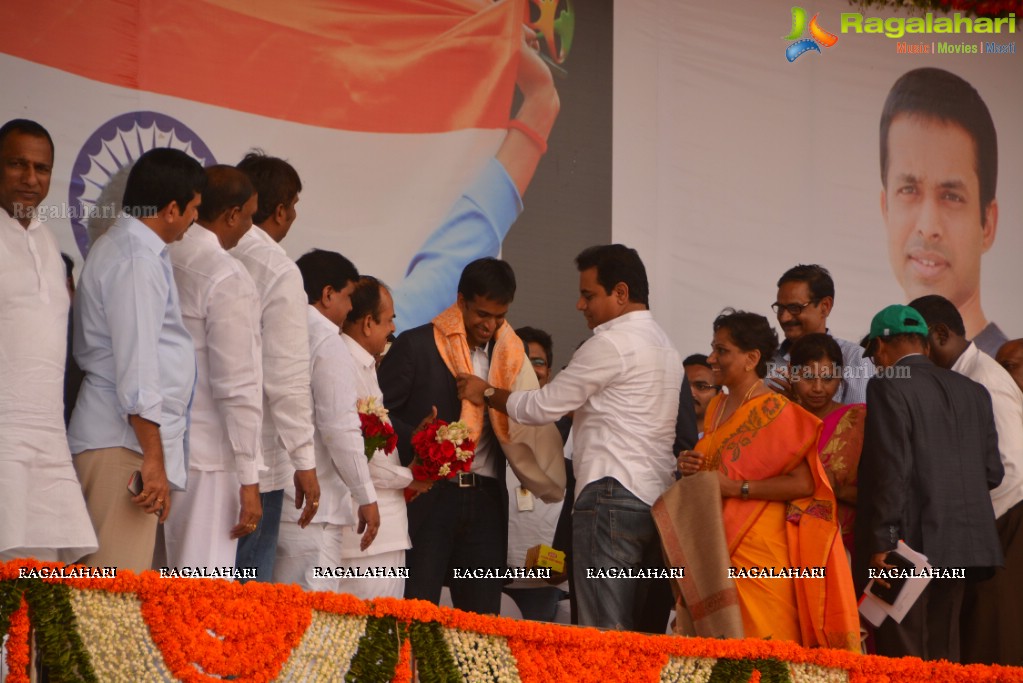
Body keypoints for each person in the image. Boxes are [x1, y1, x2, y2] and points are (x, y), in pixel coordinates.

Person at [458, 245, 681, 632]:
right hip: (657, 502)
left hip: (611, 496)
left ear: (622, 293)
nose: (580, 304)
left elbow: (543, 407)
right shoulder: (667, 348)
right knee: (641, 637)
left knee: (601, 633)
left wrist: (488, 392)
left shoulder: (609, 343)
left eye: (589, 294)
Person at [380, 257, 564, 615]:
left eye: (500, 316)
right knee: (419, 607)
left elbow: (531, 414)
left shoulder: (510, 354)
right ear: (461, 300)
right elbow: (377, 416)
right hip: (432, 496)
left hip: (486, 502)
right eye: (482, 314)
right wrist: (416, 437)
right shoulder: (417, 345)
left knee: (481, 617)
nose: (490, 325)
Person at [673, 311, 859, 650]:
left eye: (722, 350)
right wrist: (691, 465)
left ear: (751, 358)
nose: (712, 358)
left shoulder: (779, 410)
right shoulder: (716, 406)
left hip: (760, 551)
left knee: (762, 650)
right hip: (716, 544)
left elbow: (805, 483)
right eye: (713, 349)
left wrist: (739, 489)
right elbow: (718, 465)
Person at [69, 147, 203, 572]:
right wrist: (153, 459)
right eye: (194, 209)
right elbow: (139, 370)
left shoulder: (133, 250)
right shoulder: (135, 258)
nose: (195, 219)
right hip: (122, 444)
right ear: (170, 209)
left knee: (102, 598)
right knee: (109, 602)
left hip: (121, 440)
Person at [856, 304, 1003, 661]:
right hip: (963, 548)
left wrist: (884, 543)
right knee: (944, 649)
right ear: (923, 343)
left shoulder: (888, 384)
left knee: (904, 653)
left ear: (880, 347)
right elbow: (992, 473)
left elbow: (889, 471)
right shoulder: (973, 390)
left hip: (909, 546)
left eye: (873, 353)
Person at [393, 31, 560, 332]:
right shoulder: (407, 316)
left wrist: (498, 30)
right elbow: (543, 101)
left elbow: (543, 101)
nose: (491, 325)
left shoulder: (405, 312)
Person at [0, 118, 97, 564]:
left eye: (41, 168)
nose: (30, 178)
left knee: (42, 579)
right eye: (17, 164)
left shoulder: (48, 239)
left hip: (48, 435)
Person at [909, 294, 1023, 665]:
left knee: (993, 638)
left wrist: (963, 525)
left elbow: (1012, 468)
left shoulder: (986, 380)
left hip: (1005, 525)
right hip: (982, 531)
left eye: (917, 346)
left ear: (939, 334)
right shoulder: (958, 378)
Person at [163, 165, 263, 571]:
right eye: (251, 215)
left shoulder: (163, 251)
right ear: (232, 214)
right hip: (209, 461)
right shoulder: (226, 274)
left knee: (144, 594)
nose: (250, 226)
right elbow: (236, 385)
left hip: (157, 449)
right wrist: (249, 478)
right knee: (198, 601)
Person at [231, 151, 320, 582]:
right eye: (295, 205)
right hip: (260, 460)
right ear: (280, 209)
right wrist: (305, 460)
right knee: (248, 602)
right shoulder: (276, 268)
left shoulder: (207, 251)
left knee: (189, 589)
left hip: (202, 455)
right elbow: (286, 377)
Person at [880, 68, 1006, 355]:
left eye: (951, 196)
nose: (927, 226)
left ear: (988, 224)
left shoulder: (1009, 375)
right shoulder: (868, 367)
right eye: (909, 190)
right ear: (885, 208)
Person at [274, 250, 378, 591]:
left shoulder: (277, 325)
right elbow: (339, 427)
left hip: (277, 495)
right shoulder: (327, 341)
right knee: (310, 625)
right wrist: (366, 495)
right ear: (328, 294)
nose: (350, 310)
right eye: (348, 297)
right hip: (314, 509)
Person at [337, 276, 429, 599]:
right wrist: (412, 477)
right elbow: (358, 454)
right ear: (367, 323)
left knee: (379, 636)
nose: (393, 328)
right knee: (364, 637)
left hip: (382, 534)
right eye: (389, 319)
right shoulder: (344, 366)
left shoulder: (365, 367)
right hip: (367, 539)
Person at [503, 325, 568, 622]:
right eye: (522, 361)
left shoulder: (566, 433)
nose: (530, 369)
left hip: (547, 577)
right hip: (494, 570)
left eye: (538, 362)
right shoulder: (491, 426)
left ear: (549, 371)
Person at [788, 333, 864, 554]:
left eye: (828, 379)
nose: (818, 388)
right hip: (786, 542)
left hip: (843, 545)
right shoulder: (779, 420)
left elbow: (879, 493)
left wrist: (836, 489)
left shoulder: (858, 420)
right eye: (808, 378)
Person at [767, 264, 874, 403]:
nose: (784, 317)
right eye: (780, 308)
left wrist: (802, 408)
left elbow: (858, 421)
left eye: (794, 308)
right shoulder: (766, 361)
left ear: (825, 307)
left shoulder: (854, 359)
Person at [683, 354, 720, 435]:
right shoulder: (661, 433)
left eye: (701, 386)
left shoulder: (726, 438)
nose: (690, 393)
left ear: (719, 394)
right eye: (684, 386)